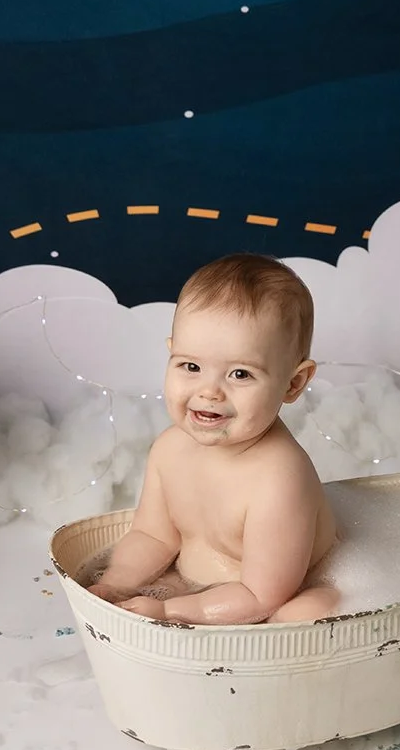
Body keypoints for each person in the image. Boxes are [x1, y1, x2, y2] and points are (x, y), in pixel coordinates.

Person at [87, 253, 339, 624]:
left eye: (240, 374)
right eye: (191, 367)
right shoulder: (169, 449)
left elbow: (262, 595)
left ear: (293, 383)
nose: (209, 392)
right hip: (199, 587)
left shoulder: (279, 479)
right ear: (171, 353)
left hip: (274, 595)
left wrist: (170, 610)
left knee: (310, 611)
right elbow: (154, 537)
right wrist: (116, 584)